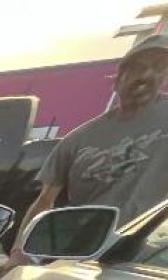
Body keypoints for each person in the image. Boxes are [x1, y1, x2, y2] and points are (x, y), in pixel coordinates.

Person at [22, 34, 168, 228]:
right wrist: (18, 254)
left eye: (159, 68)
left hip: (149, 251)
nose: (147, 75)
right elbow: (44, 202)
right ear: (120, 76)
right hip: (87, 250)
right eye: (139, 67)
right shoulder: (77, 140)